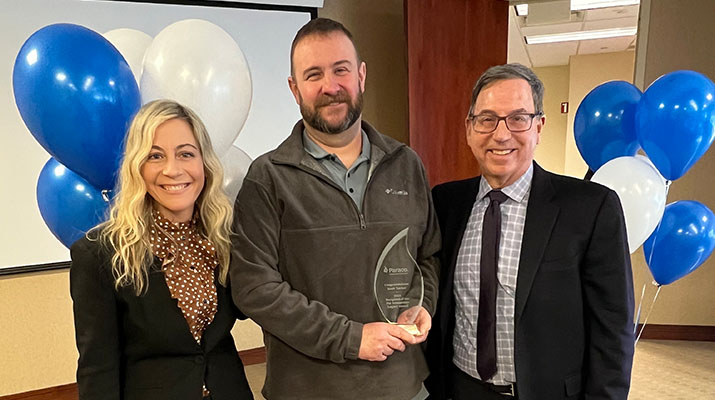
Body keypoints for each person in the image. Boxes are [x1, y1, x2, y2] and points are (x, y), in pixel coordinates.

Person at [230, 18, 440, 400]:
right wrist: (351, 338)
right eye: (313, 75)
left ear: (361, 75)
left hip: (402, 387)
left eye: (341, 70)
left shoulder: (407, 164)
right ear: (295, 89)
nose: (330, 86)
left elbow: (428, 255)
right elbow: (254, 288)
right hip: (306, 390)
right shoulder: (268, 178)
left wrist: (422, 304)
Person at [425, 63, 635, 400]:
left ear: (539, 126)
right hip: (462, 388)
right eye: (487, 119)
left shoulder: (591, 207)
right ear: (469, 128)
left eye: (518, 118)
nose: (501, 134)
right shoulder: (445, 203)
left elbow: (613, 330)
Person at [70, 100, 254, 400]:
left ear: (203, 163)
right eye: (155, 156)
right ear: (138, 167)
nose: (172, 169)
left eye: (186, 154)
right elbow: (97, 367)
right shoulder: (99, 255)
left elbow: (255, 306)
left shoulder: (225, 237)